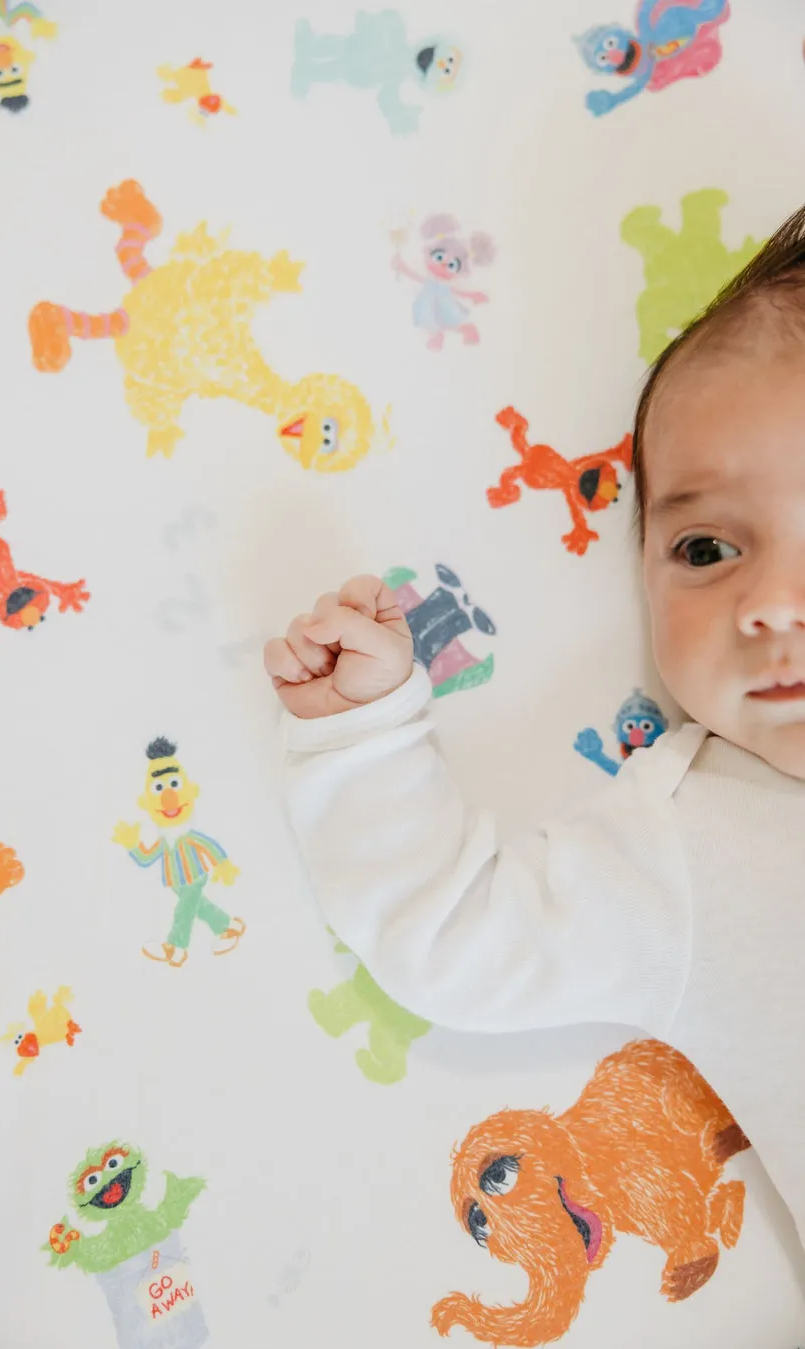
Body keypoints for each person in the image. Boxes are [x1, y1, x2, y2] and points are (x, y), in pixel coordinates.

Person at [263, 203, 805, 1246]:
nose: (773, 601)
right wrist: (364, 735)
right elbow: (457, 940)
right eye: (704, 549)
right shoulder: (696, 842)